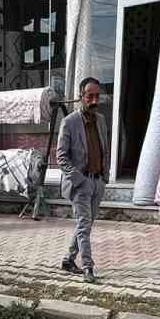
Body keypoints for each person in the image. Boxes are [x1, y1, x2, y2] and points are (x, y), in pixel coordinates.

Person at [58, 76, 108, 283]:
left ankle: (68, 259)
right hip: (81, 183)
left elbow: (106, 148)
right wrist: (79, 179)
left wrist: (104, 177)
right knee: (84, 225)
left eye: (97, 96)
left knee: (84, 226)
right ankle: (88, 267)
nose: (94, 100)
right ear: (81, 97)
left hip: (97, 182)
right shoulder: (68, 122)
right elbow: (61, 156)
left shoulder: (102, 120)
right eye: (90, 96)